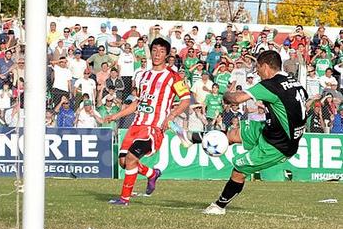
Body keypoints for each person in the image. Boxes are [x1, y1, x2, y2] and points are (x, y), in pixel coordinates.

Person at [171, 50, 308, 215]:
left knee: (239, 171)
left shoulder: (271, 85)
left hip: (278, 145)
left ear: (265, 66)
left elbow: (236, 99)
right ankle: (190, 138)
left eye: (257, 67)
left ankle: (219, 206)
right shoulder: (293, 81)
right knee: (234, 133)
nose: (256, 72)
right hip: (271, 130)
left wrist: (226, 94)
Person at [104, 38, 190, 205]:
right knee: (123, 162)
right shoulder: (142, 75)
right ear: (150, 52)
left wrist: (170, 117)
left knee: (130, 158)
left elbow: (186, 100)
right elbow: (137, 102)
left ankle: (124, 199)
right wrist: (117, 115)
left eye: (162, 51)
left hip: (153, 128)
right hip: (136, 125)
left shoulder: (173, 77)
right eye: (155, 50)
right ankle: (152, 174)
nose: (157, 54)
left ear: (167, 55)